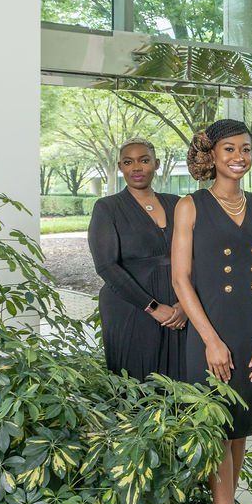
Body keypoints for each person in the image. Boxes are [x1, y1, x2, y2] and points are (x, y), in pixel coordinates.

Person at [171, 119, 252, 504]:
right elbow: (180, 279)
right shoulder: (190, 206)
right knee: (216, 435)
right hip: (210, 334)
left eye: (246, 148)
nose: (239, 155)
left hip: (250, 332)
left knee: (238, 435)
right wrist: (210, 339)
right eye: (229, 148)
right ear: (211, 155)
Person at [88, 138, 185, 381]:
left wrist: (185, 306)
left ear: (157, 164)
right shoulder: (107, 207)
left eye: (144, 160)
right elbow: (106, 266)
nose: (137, 168)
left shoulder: (177, 204)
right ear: (120, 167)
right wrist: (153, 307)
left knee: (180, 385)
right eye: (129, 162)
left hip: (178, 309)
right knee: (136, 386)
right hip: (130, 307)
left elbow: (195, 256)